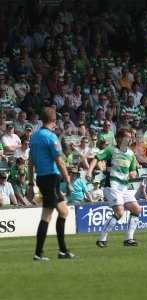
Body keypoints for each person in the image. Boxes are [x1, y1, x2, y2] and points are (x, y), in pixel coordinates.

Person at [28, 107, 76, 261]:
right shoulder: (51, 137)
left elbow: (30, 162)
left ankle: (62, 251)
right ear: (54, 121)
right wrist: (68, 180)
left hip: (42, 178)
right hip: (50, 178)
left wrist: (30, 183)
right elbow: (60, 161)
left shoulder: (34, 137)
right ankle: (38, 253)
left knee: (63, 211)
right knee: (47, 214)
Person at [87, 128, 142, 247]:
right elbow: (96, 158)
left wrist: (134, 174)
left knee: (136, 209)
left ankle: (129, 239)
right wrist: (89, 172)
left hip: (124, 187)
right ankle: (102, 239)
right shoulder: (111, 150)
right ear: (119, 139)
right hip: (111, 186)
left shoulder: (130, 154)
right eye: (127, 137)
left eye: (130, 137)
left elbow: (133, 171)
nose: (129, 139)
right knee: (119, 211)